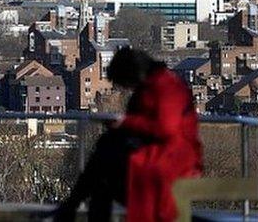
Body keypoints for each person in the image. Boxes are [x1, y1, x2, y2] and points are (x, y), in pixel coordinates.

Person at [54, 47, 203, 221]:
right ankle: (72, 204)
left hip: (170, 162)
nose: (127, 88)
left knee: (104, 163)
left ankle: (71, 204)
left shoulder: (166, 87)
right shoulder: (156, 85)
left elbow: (166, 128)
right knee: (104, 161)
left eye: (125, 83)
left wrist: (124, 122)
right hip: (159, 156)